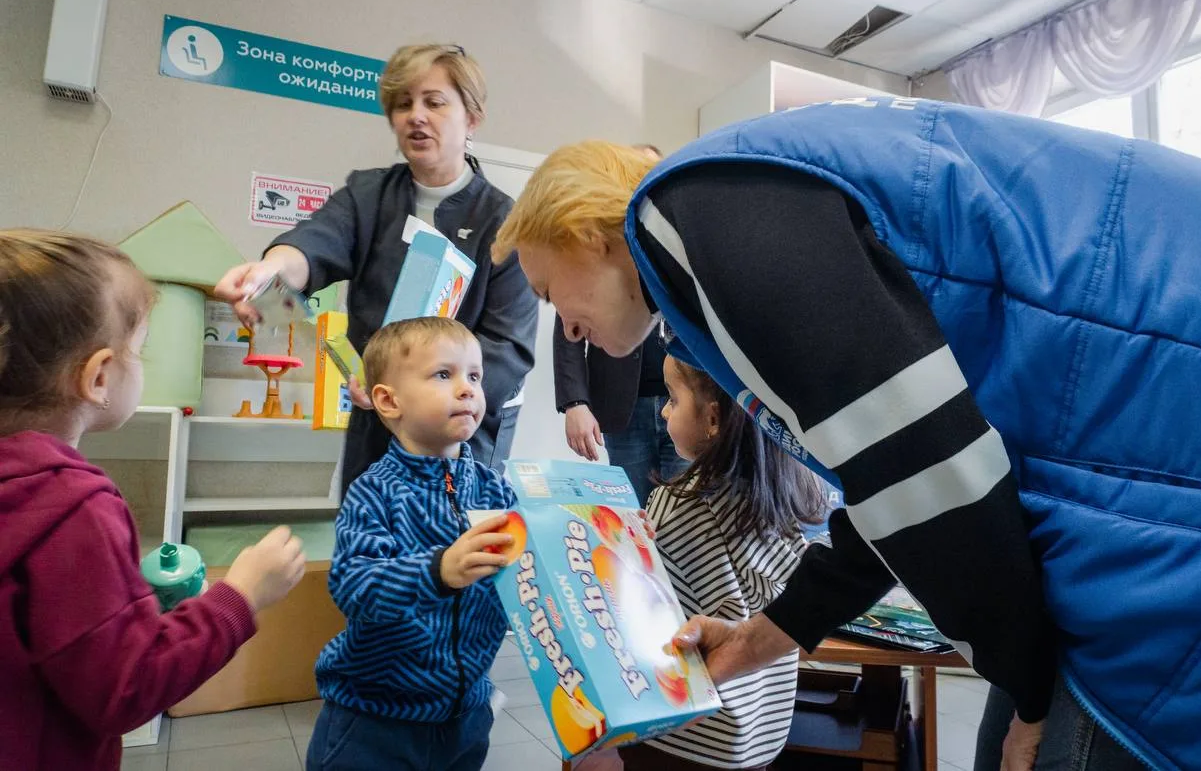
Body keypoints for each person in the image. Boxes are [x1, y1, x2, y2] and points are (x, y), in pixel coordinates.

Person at [490, 98, 1201, 771]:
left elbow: (930, 475)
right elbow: (890, 493)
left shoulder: (694, 208)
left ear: (591, 234)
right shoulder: (732, 218)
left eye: (548, 287)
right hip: (1170, 451)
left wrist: (1031, 689)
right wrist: (756, 640)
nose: (567, 325)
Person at [0, 230, 306, 771]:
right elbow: (126, 686)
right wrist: (241, 595)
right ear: (97, 377)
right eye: (139, 351)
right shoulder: (73, 507)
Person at [215, 44, 537, 489]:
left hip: (460, 434)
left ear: (472, 118)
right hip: (377, 417)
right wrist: (269, 273)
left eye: (435, 102)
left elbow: (508, 346)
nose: (416, 116)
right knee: (369, 539)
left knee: (452, 549)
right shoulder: (368, 196)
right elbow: (313, 246)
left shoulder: (503, 222)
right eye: (403, 104)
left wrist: (428, 396)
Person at [307, 316, 516, 771]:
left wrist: (602, 534)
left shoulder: (495, 490)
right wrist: (437, 570)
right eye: (445, 374)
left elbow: (533, 568)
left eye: (474, 376)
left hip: (466, 714)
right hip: (375, 720)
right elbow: (353, 585)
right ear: (388, 400)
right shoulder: (375, 491)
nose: (467, 389)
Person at [614, 354, 826, 770]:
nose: (662, 410)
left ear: (713, 419)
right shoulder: (784, 495)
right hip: (759, 736)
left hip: (683, 738)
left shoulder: (678, 504)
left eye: (672, 400)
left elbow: (633, 611)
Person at [554, 144, 685, 504]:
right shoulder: (593, 247)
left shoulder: (680, 238)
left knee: (687, 517)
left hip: (690, 403)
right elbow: (567, 332)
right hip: (622, 408)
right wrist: (574, 404)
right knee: (631, 517)